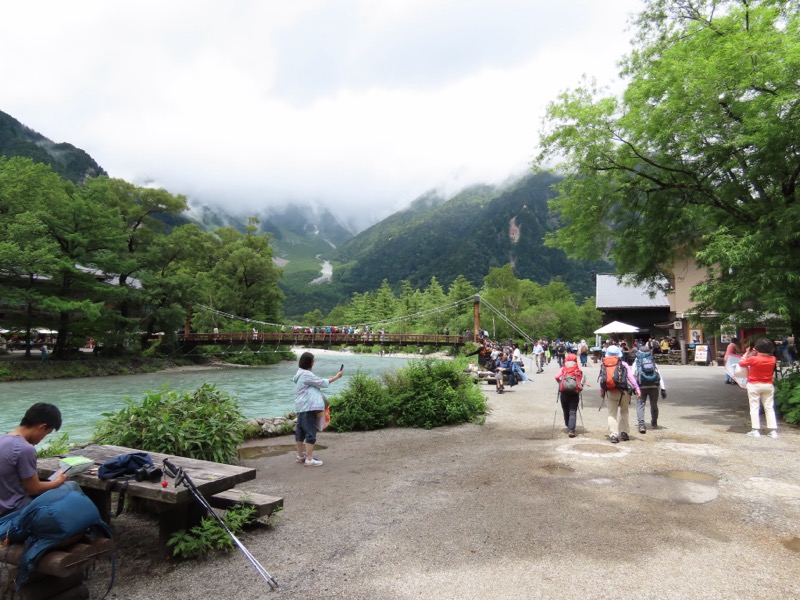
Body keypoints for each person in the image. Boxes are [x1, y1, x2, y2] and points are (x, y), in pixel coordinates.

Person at [0, 403, 72, 518]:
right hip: (15, 510)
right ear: (42, 427)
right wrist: (57, 482)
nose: (41, 439)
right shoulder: (25, 448)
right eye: (46, 434)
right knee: (71, 487)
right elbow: (34, 489)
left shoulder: (2, 438)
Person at [293, 352, 343, 466]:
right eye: (313, 360)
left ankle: (301, 456)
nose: (314, 362)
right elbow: (322, 383)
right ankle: (309, 459)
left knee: (300, 432)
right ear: (310, 362)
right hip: (309, 407)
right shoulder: (306, 374)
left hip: (301, 406)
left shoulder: (299, 374)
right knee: (310, 432)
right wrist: (336, 377)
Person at [599, 345, 641, 444]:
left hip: (610, 392)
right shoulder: (624, 364)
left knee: (612, 414)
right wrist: (637, 389)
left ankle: (613, 435)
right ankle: (624, 432)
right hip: (624, 391)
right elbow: (631, 378)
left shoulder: (604, 364)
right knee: (624, 411)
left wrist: (602, 392)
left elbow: (602, 380)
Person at [738, 338, 778, 438]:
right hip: (768, 385)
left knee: (754, 406)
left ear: (757, 348)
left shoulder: (753, 359)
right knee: (769, 407)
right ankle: (773, 431)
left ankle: (755, 430)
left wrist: (747, 353)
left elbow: (741, 363)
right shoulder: (773, 359)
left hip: (754, 385)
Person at [633, 345, 667, 433]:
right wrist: (663, 388)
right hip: (654, 386)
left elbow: (633, 375)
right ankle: (654, 423)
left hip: (641, 387)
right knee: (654, 405)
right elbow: (659, 374)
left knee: (640, 405)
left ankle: (641, 425)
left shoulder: (637, 361)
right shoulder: (652, 361)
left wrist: (633, 387)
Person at [555, 353, 584, 437]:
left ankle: (568, 425)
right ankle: (571, 429)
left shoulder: (563, 368)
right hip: (574, 393)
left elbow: (556, 377)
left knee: (565, 410)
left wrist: (560, 383)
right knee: (572, 411)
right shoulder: (578, 369)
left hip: (564, 392)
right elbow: (581, 381)